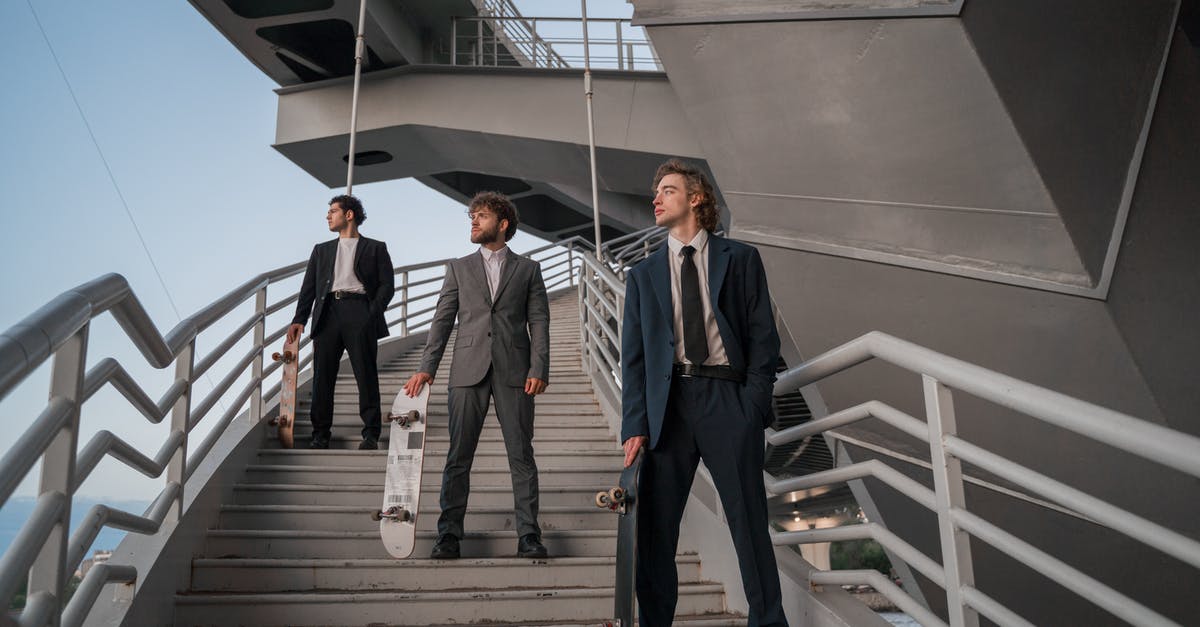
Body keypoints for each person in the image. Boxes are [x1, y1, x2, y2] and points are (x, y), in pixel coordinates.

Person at [620, 160, 789, 627]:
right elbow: (632, 359)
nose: (656, 197)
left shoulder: (740, 258)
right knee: (656, 530)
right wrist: (634, 424)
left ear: (696, 198)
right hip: (666, 409)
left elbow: (762, 339)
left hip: (727, 401)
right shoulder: (642, 275)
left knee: (749, 523)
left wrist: (753, 406)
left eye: (668, 190)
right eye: (656, 191)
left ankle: (769, 622)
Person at [403, 191, 550, 560]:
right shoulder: (458, 268)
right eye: (472, 216)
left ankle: (529, 535)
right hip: (467, 371)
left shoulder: (528, 269)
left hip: (515, 372)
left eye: (480, 216)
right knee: (458, 456)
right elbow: (442, 320)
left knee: (521, 456)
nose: (473, 221)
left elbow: (539, 321)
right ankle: (449, 535)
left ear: (502, 224)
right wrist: (427, 367)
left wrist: (539, 366)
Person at [287, 195, 394, 451]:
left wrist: (372, 313)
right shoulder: (321, 250)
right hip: (327, 313)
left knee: (365, 375)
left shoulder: (376, 247)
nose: (327, 216)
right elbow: (309, 288)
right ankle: (320, 435)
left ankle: (370, 434)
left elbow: (386, 285)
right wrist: (299, 319)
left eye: (333, 211)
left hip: (360, 311)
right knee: (322, 377)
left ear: (349, 215)